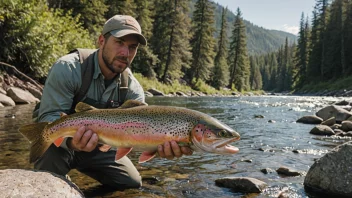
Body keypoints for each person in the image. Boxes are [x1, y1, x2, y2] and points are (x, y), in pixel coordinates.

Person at [35, 15, 193, 190]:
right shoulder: (68, 68)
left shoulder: (132, 89)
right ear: (102, 40)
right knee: (46, 182)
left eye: (132, 47)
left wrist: (158, 145)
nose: (125, 53)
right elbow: (48, 116)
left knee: (131, 183)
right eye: (119, 42)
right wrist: (72, 143)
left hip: (100, 147)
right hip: (61, 143)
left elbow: (139, 133)